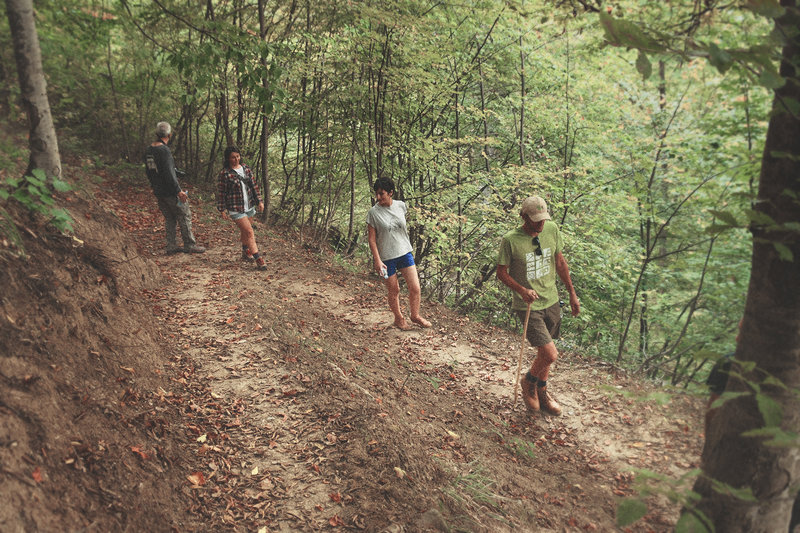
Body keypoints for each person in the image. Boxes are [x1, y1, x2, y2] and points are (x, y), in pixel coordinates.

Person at [496, 195, 579, 416]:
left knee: (545, 354)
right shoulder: (511, 240)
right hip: (528, 306)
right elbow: (501, 273)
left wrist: (572, 293)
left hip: (551, 300)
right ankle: (528, 382)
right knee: (550, 354)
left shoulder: (551, 230)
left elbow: (560, 263)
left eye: (543, 218)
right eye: (535, 220)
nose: (541, 224)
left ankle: (542, 392)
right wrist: (522, 290)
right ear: (523, 217)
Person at [366, 177, 431, 330]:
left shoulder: (401, 206)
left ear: (391, 193)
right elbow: (372, 240)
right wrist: (377, 260)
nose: (379, 197)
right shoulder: (373, 213)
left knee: (415, 287)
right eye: (377, 194)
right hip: (386, 258)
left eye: (382, 193)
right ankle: (398, 318)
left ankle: (415, 316)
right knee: (394, 290)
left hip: (404, 252)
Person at [143, 121, 205, 255]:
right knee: (184, 214)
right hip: (170, 191)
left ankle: (171, 246)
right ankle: (190, 245)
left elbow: (151, 171)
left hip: (159, 191)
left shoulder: (149, 150)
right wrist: (178, 191)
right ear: (169, 135)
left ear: (156, 133)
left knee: (170, 217)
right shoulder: (164, 150)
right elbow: (169, 173)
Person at [216, 146, 267, 271]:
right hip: (235, 208)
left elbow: (254, 186)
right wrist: (222, 209)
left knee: (245, 231)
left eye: (237, 156)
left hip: (249, 205)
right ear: (228, 158)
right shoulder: (225, 174)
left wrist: (259, 201)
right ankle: (258, 258)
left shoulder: (246, 169)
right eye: (233, 157)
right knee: (249, 232)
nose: (236, 159)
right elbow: (221, 193)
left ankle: (245, 250)